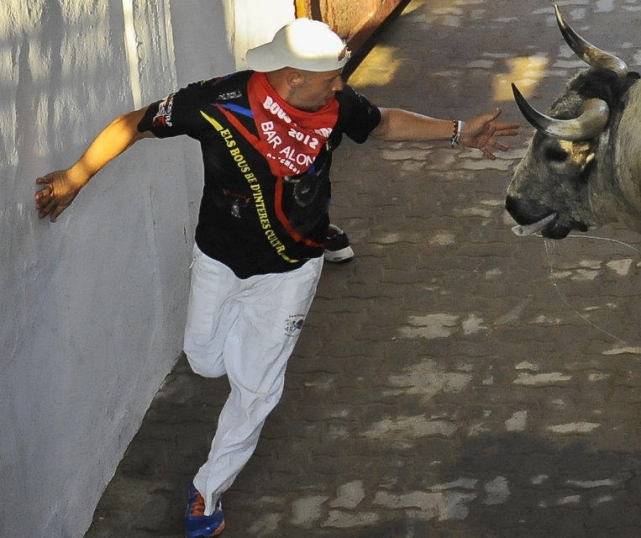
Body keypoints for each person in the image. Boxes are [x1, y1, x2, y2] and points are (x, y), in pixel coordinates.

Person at [34, 18, 518, 538]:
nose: (341, 86)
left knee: (256, 387)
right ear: (291, 78)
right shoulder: (216, 103)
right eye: (331, 78)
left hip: (291, 268)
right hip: (219, 257)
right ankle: (268, 328)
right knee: (204, 359)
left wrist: (459, 131)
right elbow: (135, 122)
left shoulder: (336, 108)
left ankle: (208, 491)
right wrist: (76, 175)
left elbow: (385, 125)